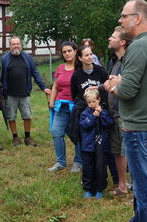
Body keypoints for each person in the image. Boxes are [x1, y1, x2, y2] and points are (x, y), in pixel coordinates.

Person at [105, 0, 147, 222]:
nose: (120, 20)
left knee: (144, 189)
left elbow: (128, 91)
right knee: (144, 185)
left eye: (124, 16)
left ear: (138, 18)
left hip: (140, 129)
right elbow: (145, 82)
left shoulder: (139, 46)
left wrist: (114, 85)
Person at [1, 36, 51, 147]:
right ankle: (15, 137)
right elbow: (0, 77)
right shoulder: (4, 59)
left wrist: (43, 87)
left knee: (27, 116)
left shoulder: (27, 58)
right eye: (13, 44)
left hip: (25, 93)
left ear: (21, 45)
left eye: (18, 43)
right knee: (11, 116)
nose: (16, 46)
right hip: (9, 94)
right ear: (10, 46)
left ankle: (27, 137)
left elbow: (35, 73)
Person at [67, 45, 109, 174]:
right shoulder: (76, 75)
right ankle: (81, 162)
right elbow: (75, 94)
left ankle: (102, 162)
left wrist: (100, 107)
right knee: (83, 137)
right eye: (86, 55)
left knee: (100, 138)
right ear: (80, 58)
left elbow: (107, 90)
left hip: (100, 109)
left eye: (91, 54)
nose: (90, 57)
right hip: (84, 111)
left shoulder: (101, 71)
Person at [103, 26, 131, 195]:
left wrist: (117, 84)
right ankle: (122, 185)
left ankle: (133, 186)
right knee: (117, 152)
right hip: (113, 113)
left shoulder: (130, 61)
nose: (109, 39)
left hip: (126, 114)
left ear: (122, 42)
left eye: (113, 37)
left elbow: (130, 86)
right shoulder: (114, 62)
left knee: (127, 152)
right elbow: (112, 83)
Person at [47, 41, 80, 171]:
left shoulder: (80, 67)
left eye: (69, 51)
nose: (67, 53)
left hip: (76, 107)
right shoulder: (60, 68)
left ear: (75, 51)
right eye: (64, 52)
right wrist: (51, 101)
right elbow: (55, 85)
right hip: (61, 106)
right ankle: (60, 162)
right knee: (56, 132)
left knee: (78, 135)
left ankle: (78, 162)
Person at [79, 88, 114, 199]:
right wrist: (93, 116)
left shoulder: (104, 111)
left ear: (99, 100)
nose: (91, 104)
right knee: (88, 168)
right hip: (88, 147)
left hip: (101, 146)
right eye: (89, 102)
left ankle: (100, 188)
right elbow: (84, 125)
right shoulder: (85, 113)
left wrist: (101, 113)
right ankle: (89, 189)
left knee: (101, 168)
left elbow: (109, 123)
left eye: (93, 101)